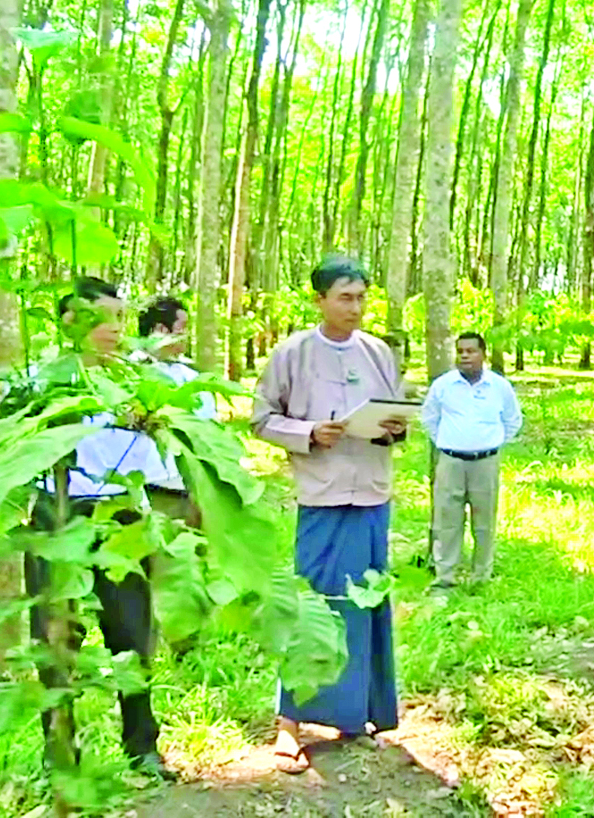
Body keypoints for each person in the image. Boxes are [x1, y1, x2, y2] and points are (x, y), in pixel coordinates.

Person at [251, 255, 407, 774]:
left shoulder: (378, 352)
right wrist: (310, 433)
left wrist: (393, 428)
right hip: (323, 494)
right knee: (314, 605)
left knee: (366, 602)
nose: (355, 308)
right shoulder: (292, 353)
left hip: (372, 494)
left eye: (361, 298)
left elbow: (395, 413)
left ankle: (356, 714)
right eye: (345, 297)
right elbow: (262, 418)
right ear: (319, 300)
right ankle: (290, 723)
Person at [26, 276, 175, 780]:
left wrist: (147, 421)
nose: (114, 328)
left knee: (132, 629)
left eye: (119, 317)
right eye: (101, 317)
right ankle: (60, 754)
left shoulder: (137, 384)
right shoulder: (38, 382)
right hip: (57, 513)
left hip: (120, 515)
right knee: (55, 635)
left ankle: (142, 746)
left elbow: (159, 461)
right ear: (69, 321)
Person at [422, 332, 523, 591]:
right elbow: (430, 419)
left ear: (483, 354)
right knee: (448, 521)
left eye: (471, 351)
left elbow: (512, 421)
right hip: (450, 462)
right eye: (461, 351)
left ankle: (481, 578)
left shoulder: (499, 387)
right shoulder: (443, 385)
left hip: (485, 463)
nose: (465, 356)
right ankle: (445, 578)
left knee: (484, 522)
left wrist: (489, 443)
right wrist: (449, 442)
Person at [134, 296, 214, 525]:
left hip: (184, 486)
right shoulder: (128, 373)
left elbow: (207, 432)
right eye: (183, 328)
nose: (187, 335)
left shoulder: (191, 377)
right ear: (160, 330)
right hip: (145, 486)